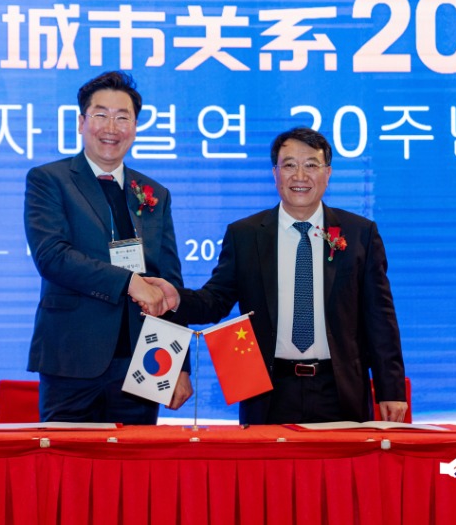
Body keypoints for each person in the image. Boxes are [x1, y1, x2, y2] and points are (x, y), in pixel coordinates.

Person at [145, 127, 407, 425]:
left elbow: (380, 318)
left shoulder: (360, 233)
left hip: (339, 389)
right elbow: (215, 301)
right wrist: (178, 299)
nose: (300, 176)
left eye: (311, 165)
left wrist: (391, 389)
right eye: (289, 165)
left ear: (328, 173)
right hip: (269, 392)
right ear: (275, 173)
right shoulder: (245, 235)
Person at [24, 71, 192, 424]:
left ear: (135, 127)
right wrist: (129, 282)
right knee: (68, 459)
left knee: (135, 459)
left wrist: (178, 363)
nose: (111, 128)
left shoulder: (154, 194)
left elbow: (169, 283)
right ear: (82, 122)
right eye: (100, 115)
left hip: (143, 363)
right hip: (72, 360)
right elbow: (52, 257)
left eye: (122, 117)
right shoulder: (49, 180)